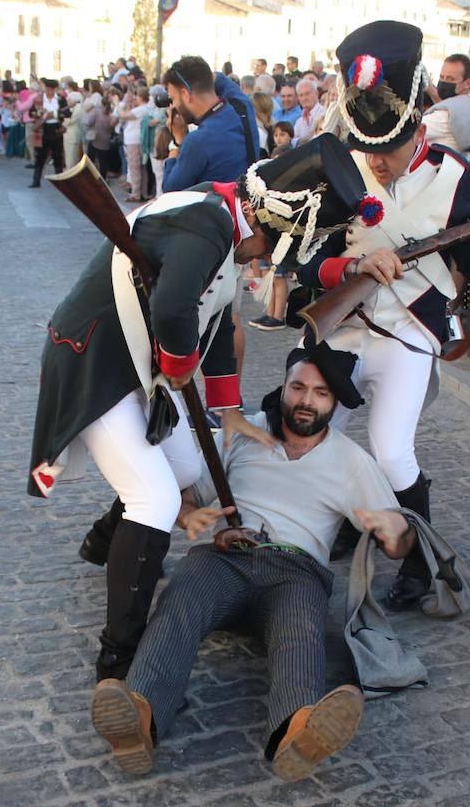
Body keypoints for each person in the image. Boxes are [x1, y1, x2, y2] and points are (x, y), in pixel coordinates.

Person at [27, 134, 370, 684]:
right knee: (158, 497)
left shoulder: (226, 225)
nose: (268, 263)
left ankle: (104, 542)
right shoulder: (207, 224)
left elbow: (215, 320)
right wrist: (179, 364)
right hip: (99, 366)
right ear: (270, 230)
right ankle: (118, 663)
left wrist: (226, 407)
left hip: (142, 366)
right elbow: (174, 308)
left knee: (188, 469)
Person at [299, 22, 470, 608]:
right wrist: (350, 269)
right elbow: (305, 257)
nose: (375, 161)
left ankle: (418, 564)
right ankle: (304, 547)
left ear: (416, 127)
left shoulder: (450, 173)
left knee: (392, 452)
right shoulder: (337, 163)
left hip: (409, 326)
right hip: (341, 326)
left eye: (386, 150)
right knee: (307, 438)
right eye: (366, 148)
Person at [90, 350, 413, 781]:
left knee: (300, 631)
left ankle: (296, 732)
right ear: (284, 386)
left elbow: (401, 544)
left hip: (296, 571)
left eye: (320, 393)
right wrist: (192, 518)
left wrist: (396, 529)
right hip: (228, 557)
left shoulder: (353, 462)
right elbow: (186, 499)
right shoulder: (242, 433)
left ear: (334, 403)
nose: (305, 400)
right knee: (179, 604)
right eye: (298, 387)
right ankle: (140, 720)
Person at [160, 55, 259, 192]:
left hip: (216, 212)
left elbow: (170, 191)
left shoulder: (197, 142)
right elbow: (220, 80)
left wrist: (177, 142)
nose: (173, 105)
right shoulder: (242, 107)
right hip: (245, 206)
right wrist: (198, 74)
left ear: (185, 94)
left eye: (173, 98)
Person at [29, 77, 67, 188]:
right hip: (42, 129)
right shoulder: (39, 99)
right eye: (48, 89)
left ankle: (60, 182)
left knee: (57, 156)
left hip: (56, 129)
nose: (50, 92)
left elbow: (66, 113)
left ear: (55, 89)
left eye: (52, 89)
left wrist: (54, 114)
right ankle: (36, 181)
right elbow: (32, 113)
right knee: (40, 156)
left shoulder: (60, 99)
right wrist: (43, 115)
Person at [118, 86, 151, 201]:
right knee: (141, 168)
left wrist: (118, 103)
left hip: (134, 141)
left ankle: (136, 194)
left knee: (134, 168)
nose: (135, 98)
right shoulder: (145, 108)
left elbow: (123, 115)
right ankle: (143, 192)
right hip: (137, 140)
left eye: (136, 96)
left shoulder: (142, 109)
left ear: (141, 97)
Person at [291, 77, 323, 147]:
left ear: (316, 94)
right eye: (301, 95)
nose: (304, 98)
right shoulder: (299, 121)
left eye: (307, 94)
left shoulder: (323, 114)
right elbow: (292, 140)